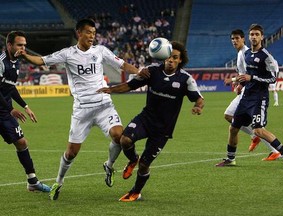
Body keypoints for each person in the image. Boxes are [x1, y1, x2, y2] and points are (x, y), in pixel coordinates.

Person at [16, 18, 149, 200]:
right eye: (88, 32)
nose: (92, 36)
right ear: (79, 33)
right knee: (71, 153)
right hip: (82, 111)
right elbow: (41, 60)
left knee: (119, 135)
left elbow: (122, 65)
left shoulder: (100, 51)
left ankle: (109, 165)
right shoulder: (68, 54)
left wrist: (139, 71)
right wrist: (24, 54)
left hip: (104, 105)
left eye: (94, 33)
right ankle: (59, 182)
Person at [98, 41, 204, 202]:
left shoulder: (185, 79)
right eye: (168, 57)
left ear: (180, 60)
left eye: (175, 58)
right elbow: (130, 85)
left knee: (145, 164)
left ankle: (135, 192)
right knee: (124, 140)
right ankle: (133, 159)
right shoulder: (152, 71)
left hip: (163, 130)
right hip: (146, 119)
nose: (171, 60)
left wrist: (198, 107)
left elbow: (199, 99)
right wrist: (111, 89)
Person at [216, 24, 283, 167]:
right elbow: (246, 76)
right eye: (252, 34)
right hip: (246, 97)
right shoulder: (247, 55)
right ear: (249, 37)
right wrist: (239, 83)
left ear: (262, 37)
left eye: (257, 34)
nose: (254, 37)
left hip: (258, 98)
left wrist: (252, 79)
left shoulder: (266, 56)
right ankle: (230, 159)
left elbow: (273, 78)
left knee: (258, 130)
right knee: (233, 128)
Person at [0, 31, 50, 192]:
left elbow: (10, 87)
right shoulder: (1, 62)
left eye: (24, 46)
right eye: (19, 45)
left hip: (4, 112)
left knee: (21, 142)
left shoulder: (16, 63)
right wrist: (11, 109)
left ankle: (32, 181)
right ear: (9, 45)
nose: (23, 48)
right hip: (5, 109)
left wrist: (25, 106)